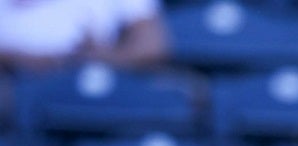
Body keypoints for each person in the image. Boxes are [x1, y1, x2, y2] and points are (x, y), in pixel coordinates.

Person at [0, 0, 170, 73]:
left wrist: (106, 57)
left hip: (92, 73)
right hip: (11, 79)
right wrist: (20, 60)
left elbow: (153, 44)